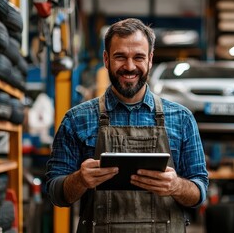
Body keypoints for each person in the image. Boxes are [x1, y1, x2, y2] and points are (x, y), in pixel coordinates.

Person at [46, 18, 209, 232]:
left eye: (138, 57)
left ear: (150, 60)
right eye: (120, 57)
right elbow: (55, 193)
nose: (130, 66)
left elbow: (200, 191)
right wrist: (79, 180)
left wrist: (177, 186)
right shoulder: (77, 119)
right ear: (106, 59)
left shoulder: (181, 118)